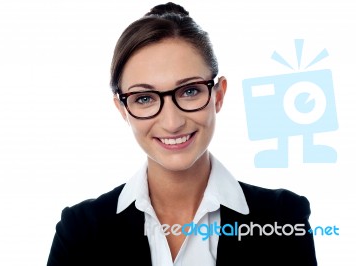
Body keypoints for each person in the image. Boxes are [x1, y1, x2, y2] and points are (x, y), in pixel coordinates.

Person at [47, 2, 317, 265]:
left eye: (189, 91)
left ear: (218, 95)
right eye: (144, 98)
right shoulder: (79, 231)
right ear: (122, 109)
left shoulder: (283, 219)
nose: (172, 122)